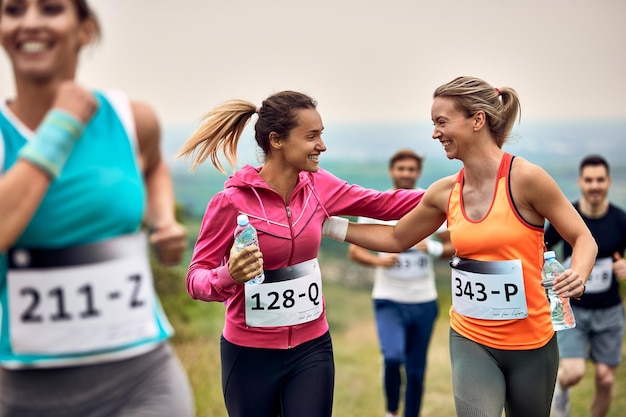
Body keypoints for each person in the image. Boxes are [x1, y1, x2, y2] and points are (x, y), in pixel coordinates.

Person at [322, 76, 598, 417]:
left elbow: (583, 238)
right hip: (471, 337)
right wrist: (326, 225)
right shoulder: (444, 192)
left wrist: (578, 274)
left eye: (442, 122)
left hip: (532, 342)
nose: (435, 133)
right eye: (433, 124)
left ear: (477, 120)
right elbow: (395, 239)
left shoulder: (526, 179)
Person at [176, 90, 424, 417]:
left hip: (312, 347)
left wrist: (461, 189)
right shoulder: (232, 202)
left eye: (321, 135)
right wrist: (229, 276)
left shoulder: (320, 186)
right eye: (311, 136)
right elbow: (196, 279)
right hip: (249, 354)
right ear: (277, 141)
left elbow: (385, 204)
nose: (321, 145)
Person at [0, 1, 194, 416]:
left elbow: (154, 164)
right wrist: (61, 126)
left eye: (51, 9)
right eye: (13, 10)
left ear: (84, 30)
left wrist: (164, 219)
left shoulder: (129, 118)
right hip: (23, 393)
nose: (31, 22)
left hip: (142, 380)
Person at [347, 149, 453, 417]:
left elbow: (453, 244)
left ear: (417, 173)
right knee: (393, 357)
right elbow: (355, 251)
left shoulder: (430, 202)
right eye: (401, 168)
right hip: (388, 298)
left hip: (424, 300)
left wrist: (430, 248)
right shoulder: (377, 204)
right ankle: (392, 411)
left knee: (417, 372)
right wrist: (378, 262)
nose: (406, 173)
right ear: (391, 171)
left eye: (411, 169)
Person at [545, 154, 626, 417]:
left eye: (600, 180)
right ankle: (561, 390)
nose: (594, 185)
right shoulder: (566, 216)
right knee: (574, 372)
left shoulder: (620, 220)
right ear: (580, 182)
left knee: (605, 379)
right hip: (573, 310)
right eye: (589, 180)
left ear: (608, 182)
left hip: (610, 311)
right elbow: (541, 248)